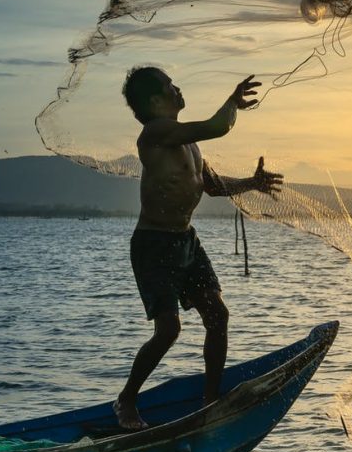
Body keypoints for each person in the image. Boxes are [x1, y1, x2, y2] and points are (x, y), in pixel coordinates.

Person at [113, 66, 283, 431]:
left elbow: (214, 187)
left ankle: (210, 400)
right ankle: (126, 400)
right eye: (170, 85)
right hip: (154, 243)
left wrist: (252, 183)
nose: (178, 88)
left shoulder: (188, 142)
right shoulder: (156, 133)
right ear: (156, 100)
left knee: (217, 316)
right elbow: (218, 126)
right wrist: (233, 103)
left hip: (186, 240)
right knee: (169, 330)